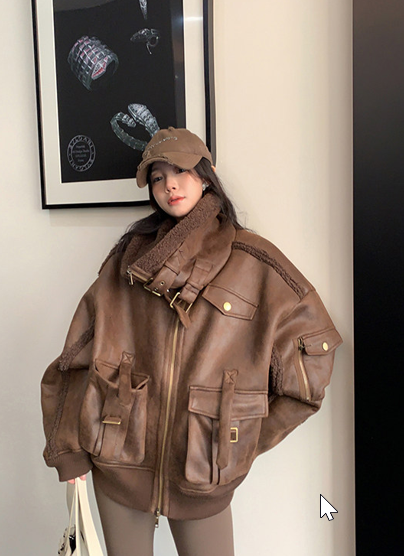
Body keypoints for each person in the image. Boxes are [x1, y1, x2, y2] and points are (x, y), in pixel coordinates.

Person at [41, 127, 342, 556]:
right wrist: (68, 452)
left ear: (206, 174)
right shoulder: (128, 260)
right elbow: (75, 357)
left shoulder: (255, 263)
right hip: (117, 461)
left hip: (203, 473)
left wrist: (238, 436)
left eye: (181, 170)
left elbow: (315, 352)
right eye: (158, 177)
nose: (170, 185)